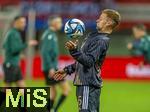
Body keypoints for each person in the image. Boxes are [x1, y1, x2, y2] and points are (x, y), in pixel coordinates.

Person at [53, 9, 121, 112]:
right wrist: (68, 69)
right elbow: (82, 62)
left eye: (101, 18)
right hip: (85, 84)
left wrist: (74, 51)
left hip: (88, 85)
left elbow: (89, 62)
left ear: (109, 22)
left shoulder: (101, 41)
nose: (97, 20)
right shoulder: (93, 36)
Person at [2, 16, 37, 109]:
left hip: (13, 63)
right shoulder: (13, 33)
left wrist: (17, 55)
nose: (24, 24)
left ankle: (22, 106)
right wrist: (27, 44)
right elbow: (14, 49)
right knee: (8, 87)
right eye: (22, 22)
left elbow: (5, 46)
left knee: (21, 86)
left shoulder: (13, 33)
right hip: (10, 64)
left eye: (24, 22)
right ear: (16, 23)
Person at [40, 15, 70, 112]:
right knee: (66, 89)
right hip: (51, 67)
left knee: (53, 91)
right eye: (60, 22)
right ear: (54, 23)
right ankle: (54, 110)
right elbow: (45, 52)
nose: (61, 24)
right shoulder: (49, 35)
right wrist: (51, 68)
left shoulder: (50, 34)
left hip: (50, 67)